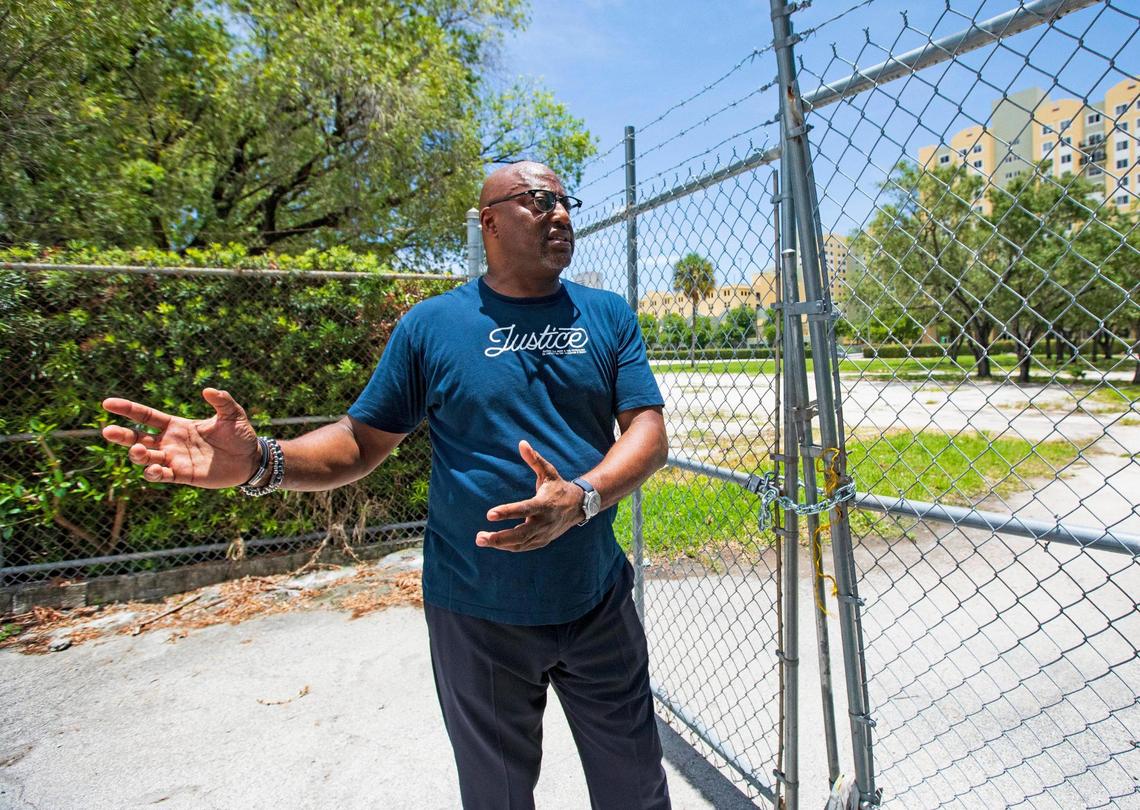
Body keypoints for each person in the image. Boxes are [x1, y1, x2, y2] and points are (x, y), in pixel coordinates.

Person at [101, 161, 672, 809]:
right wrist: (262, 461)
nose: (561, 215)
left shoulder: (606, 315)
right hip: (476, 613)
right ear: (488, 221)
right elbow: (361, 441)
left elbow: (647, 433)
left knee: (636, 788)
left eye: (566, 202)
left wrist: (582, 498)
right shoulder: (432, 327)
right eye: (539, 201)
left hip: (595, 600)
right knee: (498, 796)